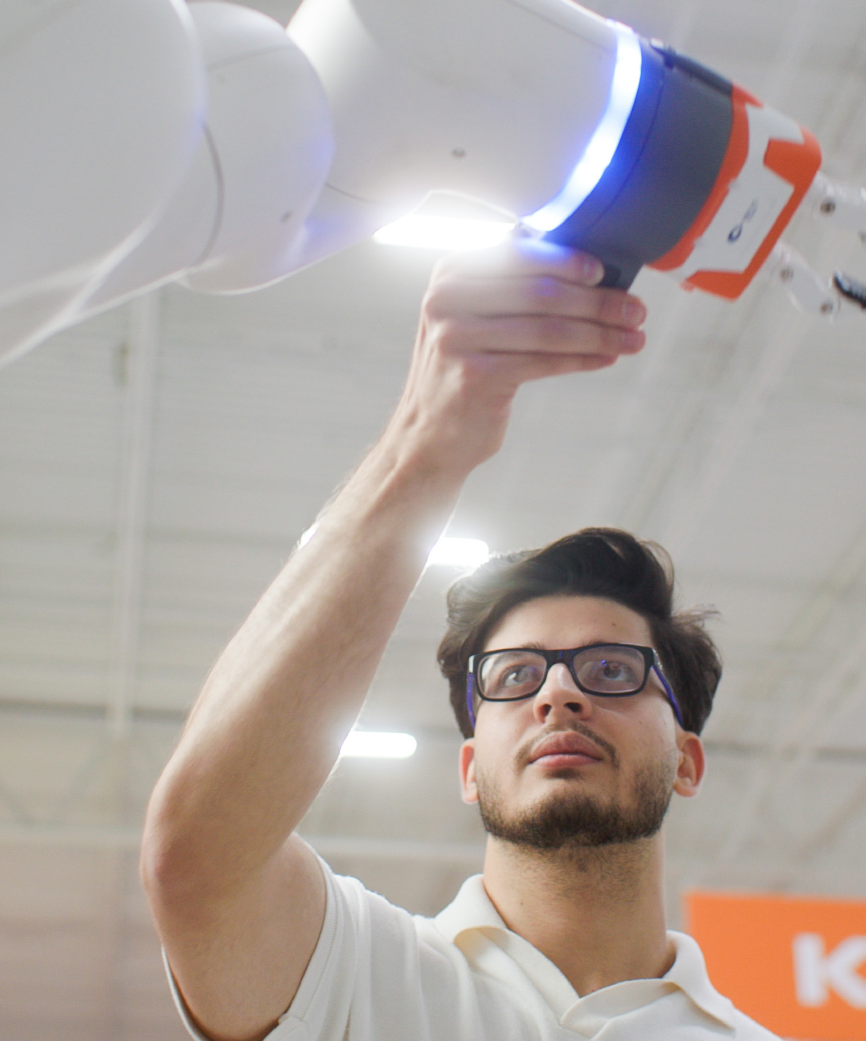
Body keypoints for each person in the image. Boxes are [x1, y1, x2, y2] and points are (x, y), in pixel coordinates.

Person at [141, 239, 780, 1041]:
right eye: (513, 678)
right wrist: (425, 442)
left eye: (613, 669)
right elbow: (198, 867)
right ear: (471, 768)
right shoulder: (355, 974)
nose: (559, 693)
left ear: (687, 758)